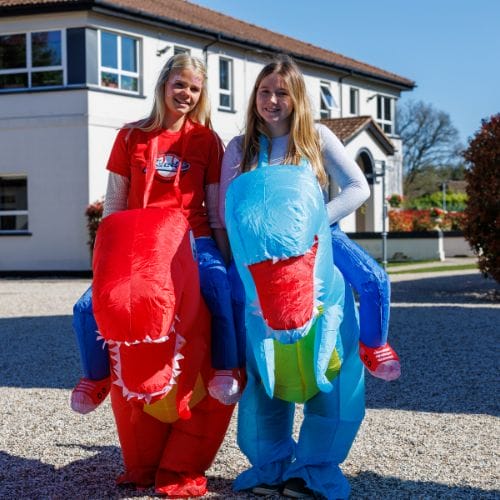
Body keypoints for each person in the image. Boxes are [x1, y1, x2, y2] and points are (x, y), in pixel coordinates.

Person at [219, 55, 400, 499]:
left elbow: (358, 187)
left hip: (317, 245)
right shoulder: (240, 147)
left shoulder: (316, 137)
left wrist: (318, 222)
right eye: (264, 92)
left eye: (282, 92)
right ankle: (267, 461)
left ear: (297, 97)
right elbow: (228, 207)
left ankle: (374, 346)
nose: (272, 100)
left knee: (372, 280)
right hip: (261, 261)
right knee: (253, 351)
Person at [70, 54, 245, 417]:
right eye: (180, 84)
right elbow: (114, 206)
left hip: (193, 240)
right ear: (164, 83)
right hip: (140, 245)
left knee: (219, 286)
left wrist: (226, 258)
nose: (186, 94)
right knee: (86, 307)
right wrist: (107, 264)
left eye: (194, 89)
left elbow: (215, 211)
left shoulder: (207, 140)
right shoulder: (130, 136)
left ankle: (226, 367)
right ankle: (96, 376)